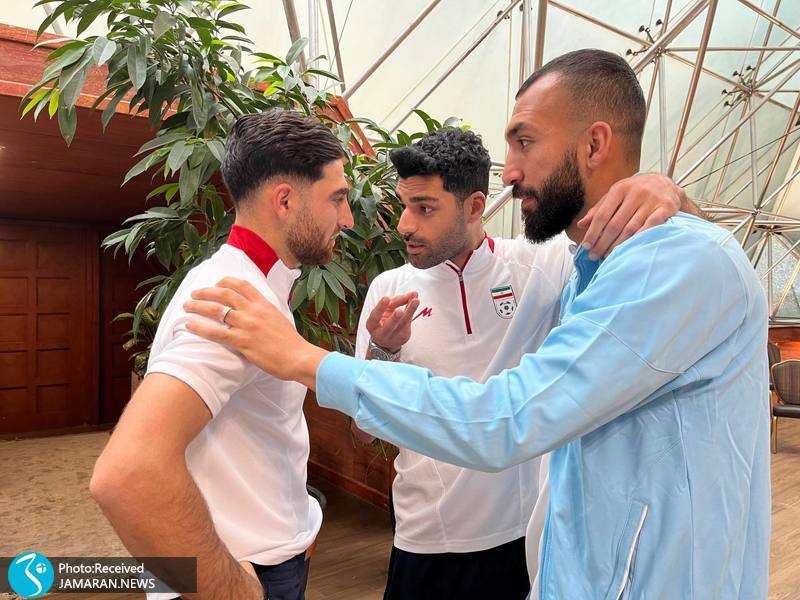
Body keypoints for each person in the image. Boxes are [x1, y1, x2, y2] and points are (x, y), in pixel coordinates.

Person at [184, 49, 770, 599]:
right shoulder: (294, 292)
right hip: (427, 541)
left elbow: (508, 417)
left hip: (531, 549)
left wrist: (302, 358)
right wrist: (197, 579)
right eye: (343, 199)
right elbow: (148, 468)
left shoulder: (565, 268)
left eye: (524, 142)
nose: (509, 171)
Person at [356, 128, 687, 600]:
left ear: (475, 207)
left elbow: (632, 234)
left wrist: (666, 188)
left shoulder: (542, 266)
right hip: (424, 536)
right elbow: (364, 431)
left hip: (521, 535)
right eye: (404, 205)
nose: (404, 225)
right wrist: (383, 351)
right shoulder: (388, 290)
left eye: (424, 208)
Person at [89, 109, 354, 600]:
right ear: (285, 200)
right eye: (337, 198)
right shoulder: (231, 298)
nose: (347, 218)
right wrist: (232, 590)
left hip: (264, 554)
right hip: (244, 571)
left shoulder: (246, 284)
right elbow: (127, 473)